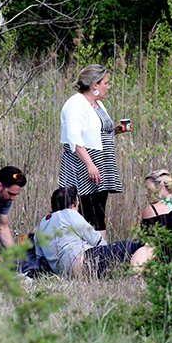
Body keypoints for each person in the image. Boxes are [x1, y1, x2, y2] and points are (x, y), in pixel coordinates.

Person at [59, 64, 128, 241]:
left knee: (98, 212)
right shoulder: (76, 103)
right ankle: (89, 256)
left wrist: (115, 131)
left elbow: (93, 133)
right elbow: (74, 138)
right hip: (83, 165)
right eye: (106, 82)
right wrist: (90, 164)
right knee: (86, 211)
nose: (108, 86)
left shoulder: (97, 104)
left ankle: (100, 255)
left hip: (101, 163)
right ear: (94, 85)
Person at [34, 186, 152, 277]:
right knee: (139, 245)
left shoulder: (42, 224)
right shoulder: (69, 213)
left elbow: (40, 257)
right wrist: (109, 250)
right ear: (73, 205)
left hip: (65, 272)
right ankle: (138, 277)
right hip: (84, 262)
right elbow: (96, 239)